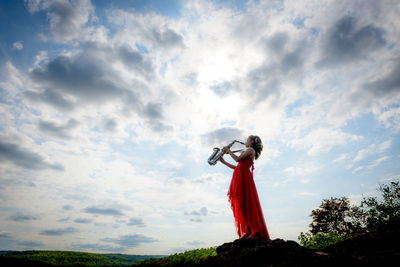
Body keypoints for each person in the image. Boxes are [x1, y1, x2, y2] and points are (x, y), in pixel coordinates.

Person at [219, 135, 270, 240]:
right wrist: (224, 162)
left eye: (247, 139)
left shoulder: (251, 150)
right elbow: (237, 167)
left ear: (251, 142)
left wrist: (229, 150)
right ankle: (247, 232)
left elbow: (238, 160)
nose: (245, 141)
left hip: (244, 178)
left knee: (246, 204)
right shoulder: (248, 150)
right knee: (241, 204)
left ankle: (251, 232)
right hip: (239, 177)